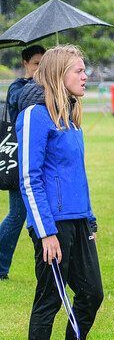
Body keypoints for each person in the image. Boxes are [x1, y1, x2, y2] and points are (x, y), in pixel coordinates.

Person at [16, 45, 108, 340]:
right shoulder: (35, 115)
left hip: (78, 223)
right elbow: (29, 177)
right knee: (50, 301)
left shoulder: (70, 116)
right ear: (58, 75)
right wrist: (46, 233)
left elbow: (76, 175)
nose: (86, 76)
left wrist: (91, 220)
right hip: (51, 226)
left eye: (85, 70)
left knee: (91, 294)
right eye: (78, 71)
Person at [0, 45, 45, 281]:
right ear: (25, 63)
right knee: (17, 215)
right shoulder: (17, 88)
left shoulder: (48, 86)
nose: (40, 67)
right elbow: (22, 104)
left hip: (42, 158)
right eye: (36, 63)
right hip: (21, 159)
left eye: (43, 63)